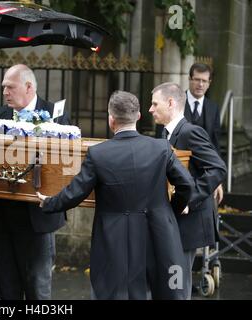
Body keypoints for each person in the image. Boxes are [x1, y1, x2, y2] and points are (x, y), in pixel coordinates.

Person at [37, 90, 195, 300]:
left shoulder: (98, 153)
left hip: (114, 236)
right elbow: (187, 184)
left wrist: (48, 202)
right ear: (138, 116)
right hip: (158, 230)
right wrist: (170, 209)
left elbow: (75, 193)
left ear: (111, 119)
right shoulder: (161, 148)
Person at [0, 64, 70, 300]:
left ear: (29, 87)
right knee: (8, 286)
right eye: (3, 88)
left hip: (37, 216)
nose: (5, 93)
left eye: (10, 87)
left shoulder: (56, 115)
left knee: (37, 286)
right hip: (3, 213)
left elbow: (65, 162)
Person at [149, 82, 227, 299]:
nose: (150, 109)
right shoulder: (165, 133)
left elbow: (218, 168)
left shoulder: (191, 132)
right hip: (174, 221)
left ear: (171, 103)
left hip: (188, 222)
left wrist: (188, 199)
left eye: (155, 104)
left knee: (178, 286)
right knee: (173, 284)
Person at [156, 63, 224, 204]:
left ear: (209, 83)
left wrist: (217, 181)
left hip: (204, 178)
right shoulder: (174, 104)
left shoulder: (213, 108)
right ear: (189, 79)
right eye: (197, 79)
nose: (200, 84)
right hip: (178, 176)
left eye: (204, 81)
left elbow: (215, 145)